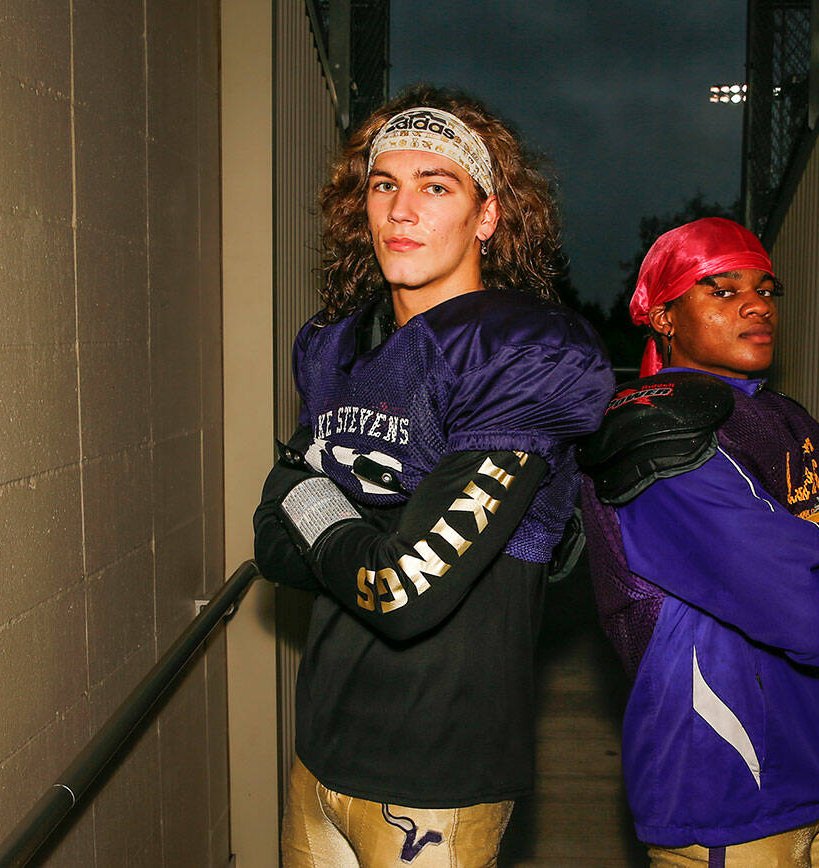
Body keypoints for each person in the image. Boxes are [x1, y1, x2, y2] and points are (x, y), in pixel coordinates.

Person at [253, 85, 615, 868]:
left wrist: (317, 497)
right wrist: (366, 529)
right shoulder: (342, 347)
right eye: (384, 185)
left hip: (437, 770)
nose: (401, 210)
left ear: (486, 215)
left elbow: (399, 589)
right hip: (319, 746)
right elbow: (270, 546)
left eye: (436, 186)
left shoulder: (518, 354)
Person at [577, 217, 819, 867]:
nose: (757, 304)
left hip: (818, 775)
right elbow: (812, 617)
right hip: (726, 788)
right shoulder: (655, 433)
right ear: (666, 317)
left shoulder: (784, 419)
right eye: (723, 291)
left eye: (764, 289)